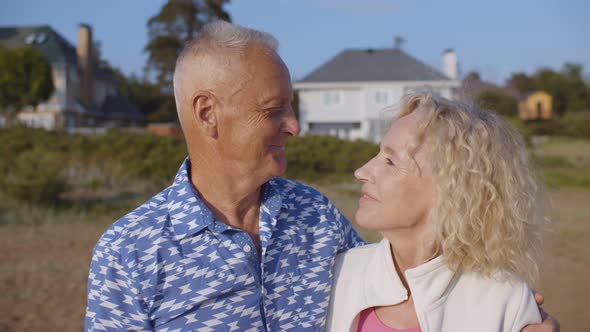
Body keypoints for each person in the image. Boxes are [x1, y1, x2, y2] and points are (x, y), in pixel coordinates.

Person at [85, 21, 558, 331]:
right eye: (274, 111)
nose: (294, 126)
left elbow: (398, 283)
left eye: (293, 108)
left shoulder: (316, 216)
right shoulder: (128, 253)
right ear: (207, 112)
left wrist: (505, 307)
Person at [326, 92, 552, 331]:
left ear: (452, 188)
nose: (362, 171)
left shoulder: (505, 299)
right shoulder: (336, 274)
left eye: (390, 161)